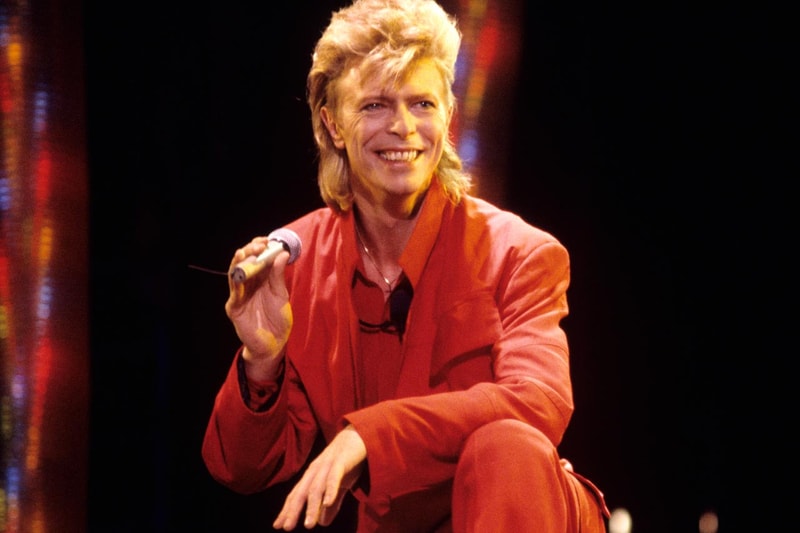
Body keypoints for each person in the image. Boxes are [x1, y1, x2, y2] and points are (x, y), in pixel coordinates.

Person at [201, 0, 609, 530]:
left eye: (422, 104)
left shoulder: (520, 252)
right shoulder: (296, 265)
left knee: (505, 445)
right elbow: (241, 469)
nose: (403, 127)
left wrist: (367, 436)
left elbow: (537, 402)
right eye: (374, 105)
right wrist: (262, 361)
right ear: (332, 124)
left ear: (448, 116)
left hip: (522, 509)